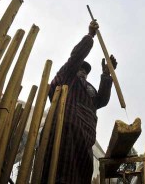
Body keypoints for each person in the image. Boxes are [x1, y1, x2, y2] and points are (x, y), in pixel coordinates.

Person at [41, 20, 117, 183]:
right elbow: (76, 57)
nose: (83, 72)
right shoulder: (68, 76)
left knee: (81, 177)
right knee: (58, 173)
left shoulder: (89, 89)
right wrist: (90, 36)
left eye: (86, 71)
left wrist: (106, 75)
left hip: (86, 139)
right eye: (81, 69)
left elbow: (101, 101)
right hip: (65, 129)